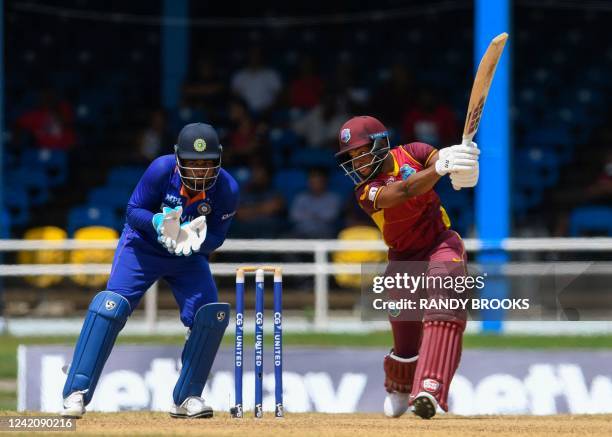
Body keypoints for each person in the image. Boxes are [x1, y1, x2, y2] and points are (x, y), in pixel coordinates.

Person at [61, 123, 239, 419]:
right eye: (193, 164)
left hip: (186, 255)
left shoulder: (227, 188)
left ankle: (187, 398)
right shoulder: (161, 169)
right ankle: (75, 392)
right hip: (142, 248)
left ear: (219, 160)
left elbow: (218, 235)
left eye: (207, 164)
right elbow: (133, 210)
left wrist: (196, 241)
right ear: (178, 159)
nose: (200, 172)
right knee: (110, 307)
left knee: (210, 314)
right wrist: (158, 223)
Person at [335, 115, 479, 419]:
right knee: (405, 340)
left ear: (380, 143)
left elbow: (439, 159)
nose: (357, 163)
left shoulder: (413, 151)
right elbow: (403, 192)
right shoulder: (366, 191)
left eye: (361, 153)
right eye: (352, 157)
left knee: (445, 303)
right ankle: (399, 386)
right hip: (402, 259)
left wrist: (462, 164)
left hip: (440, 241)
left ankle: (430, 387)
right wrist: (439, 169)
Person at [289, 168, 341, 238]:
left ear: (325, 182)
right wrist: (317, 216)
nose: (316, 184)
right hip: (302, 231)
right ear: (308, 183)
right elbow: (294, 216)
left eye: (319, 182)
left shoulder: (333, 198)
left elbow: (331, 216)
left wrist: (307, 215)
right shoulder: (301, 197)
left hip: (325, 232)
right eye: (313, 182)